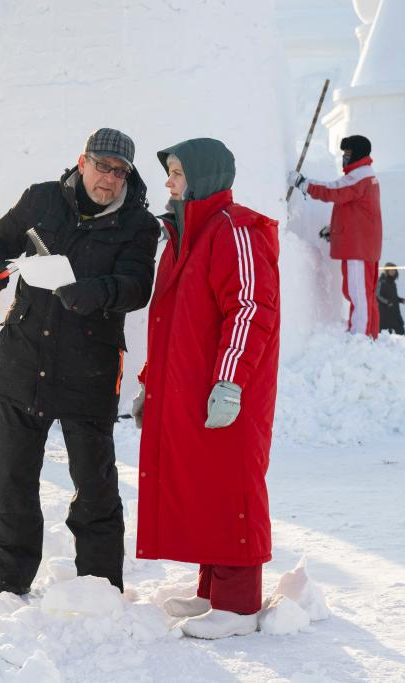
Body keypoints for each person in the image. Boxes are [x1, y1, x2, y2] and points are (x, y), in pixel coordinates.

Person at [0, 128, 158, 595]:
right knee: (11, 478)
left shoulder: (139, 224)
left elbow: (138, 286)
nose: (110, 179)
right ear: (82, 161)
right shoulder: (42, 199)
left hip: (88, 369)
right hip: (24, 359)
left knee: (94, 487)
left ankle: (98, 584)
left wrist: (96, 292)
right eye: (102, 166)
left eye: (120, 172)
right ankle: (7, 578)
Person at [134, 139, 280, 639]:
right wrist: (150, 384)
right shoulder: (184, 235)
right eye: (169, 172)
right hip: (191, 390)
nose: (169, 181)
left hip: (225, 388)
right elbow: (172, 323)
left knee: (231, 484)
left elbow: (249, 309)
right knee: (203, 483)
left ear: (203, 174)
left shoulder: (235, 229)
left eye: (176, 172)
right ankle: (212, 593)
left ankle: (238, 608)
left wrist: (230, 382)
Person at [289, 135, 382, 339]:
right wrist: (336, 230)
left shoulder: (359, 176)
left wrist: (303, 184)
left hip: (359, 248)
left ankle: (361, 337)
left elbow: (334, 192)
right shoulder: (365, 176)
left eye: (348, 154)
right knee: (361, 292)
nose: (345, 158)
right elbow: (357, 212)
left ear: (357, 154)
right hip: (362, 243)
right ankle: (367, 333)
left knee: (358, 294)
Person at [377, 262, 405, 335]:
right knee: (385, 334)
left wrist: (400, 300)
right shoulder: (381, 281)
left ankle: (402, 346)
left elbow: (393, 296)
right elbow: (377, 295)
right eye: (391, 270)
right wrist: (387, 302)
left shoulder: (392, 282)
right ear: (387, 270)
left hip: (395, 311)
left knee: (401, 331)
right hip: (385, 312)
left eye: (394, 270)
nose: (393, 272)